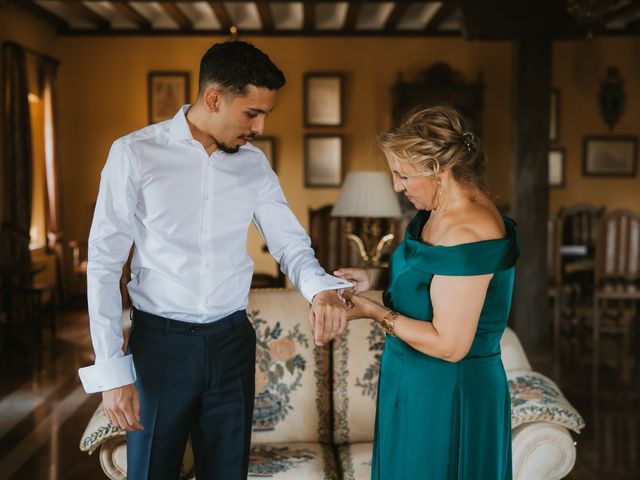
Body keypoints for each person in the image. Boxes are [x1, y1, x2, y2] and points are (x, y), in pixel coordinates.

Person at [77, 41, 351, 480]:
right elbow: (105, 263)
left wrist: (321, 290)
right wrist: (112, 372)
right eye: (251, 113)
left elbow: (290, 244)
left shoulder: (254, 166)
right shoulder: (134, 154)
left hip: (231, 344)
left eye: (265, 115)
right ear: (213, 99)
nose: (259, 126)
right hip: (159, 348)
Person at [335, 105, 519, 479]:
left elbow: (449, 346)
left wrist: (372, 312)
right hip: (414, 381)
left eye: (403, 175)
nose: (396, 186)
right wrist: (375, 277)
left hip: (449, 394)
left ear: (438, 170)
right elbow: (433, 275)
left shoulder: (469, 231)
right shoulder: (440, 210)